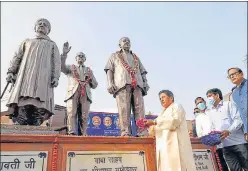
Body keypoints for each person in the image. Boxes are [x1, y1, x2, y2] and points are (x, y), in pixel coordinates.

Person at [5, 18, 61, 126]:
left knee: (41, 98)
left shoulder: (52, 45)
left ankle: (37, 117)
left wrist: (56, 76)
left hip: (44, 76)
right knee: (23, 96)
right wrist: (11, 71)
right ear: (35, 27)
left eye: (45, 25)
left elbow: (56, 62)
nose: (42, 25)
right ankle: (21, 116)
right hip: (25, 75)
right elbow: (17, 57)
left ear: (48, 30)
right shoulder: (27, 42)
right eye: (39, 24)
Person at [104, 37, 150, 136]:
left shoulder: (135, 57)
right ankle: (126, 132)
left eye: (128, 41)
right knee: (124, 109)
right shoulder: (114, 56)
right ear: (119, 44)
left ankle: (142, 132)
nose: (127, 42)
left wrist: (145, 82)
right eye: (124, 41)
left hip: (137, 84)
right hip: (122, 84)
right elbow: (109, 70)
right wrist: (110, 83)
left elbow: (142, 72)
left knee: (140, 109)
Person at [145, 90, 196, 171]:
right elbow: (154, 130)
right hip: (164, 149)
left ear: (171, 98)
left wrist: (154, 122)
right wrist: (148, 125)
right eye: (160, 98)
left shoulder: (176, 106)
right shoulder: (161, 114)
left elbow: (174, 122)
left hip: (175, 147)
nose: (161, 99)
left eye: (163, 97)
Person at [206, 88, 248, 171]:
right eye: (207, 97)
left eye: (210, 96)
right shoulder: (210, 112)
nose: (208, 99)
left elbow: (238, 120)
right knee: (234, 169)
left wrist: (228, 131)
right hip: (225, 146)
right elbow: (213, 127)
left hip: (239, 143)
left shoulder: (229, 105)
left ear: (217, 95)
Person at [61, 42, 98, 135]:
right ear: (76, 58)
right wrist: (64, 54)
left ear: (85, 59)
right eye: (78, 56)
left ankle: (83, 133)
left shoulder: (89, 70)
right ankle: (72, 132)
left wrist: (89, 80)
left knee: (84, 116)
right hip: (73, 92)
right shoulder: (71, 67)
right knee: (71, 113)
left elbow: (95, 85)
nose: (80, 57)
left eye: (82, 56)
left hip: (85, 93)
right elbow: (62, 67)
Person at [194, 97, 229, 171]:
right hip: (210, 145)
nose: (200, 104)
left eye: (201, 102)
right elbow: (199, 133)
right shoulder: (199, 118)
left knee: (226, 163)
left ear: (204, 102)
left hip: (222, 141)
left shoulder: (212, 111)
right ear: (196, 106)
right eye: (198, 103)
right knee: (217, 165)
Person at [227, 67, 247, 141]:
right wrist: (245, 131)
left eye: (234, 74)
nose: (232, 76)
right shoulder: (234, 94)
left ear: (241, 74)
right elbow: (241, 114)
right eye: (230, 76)